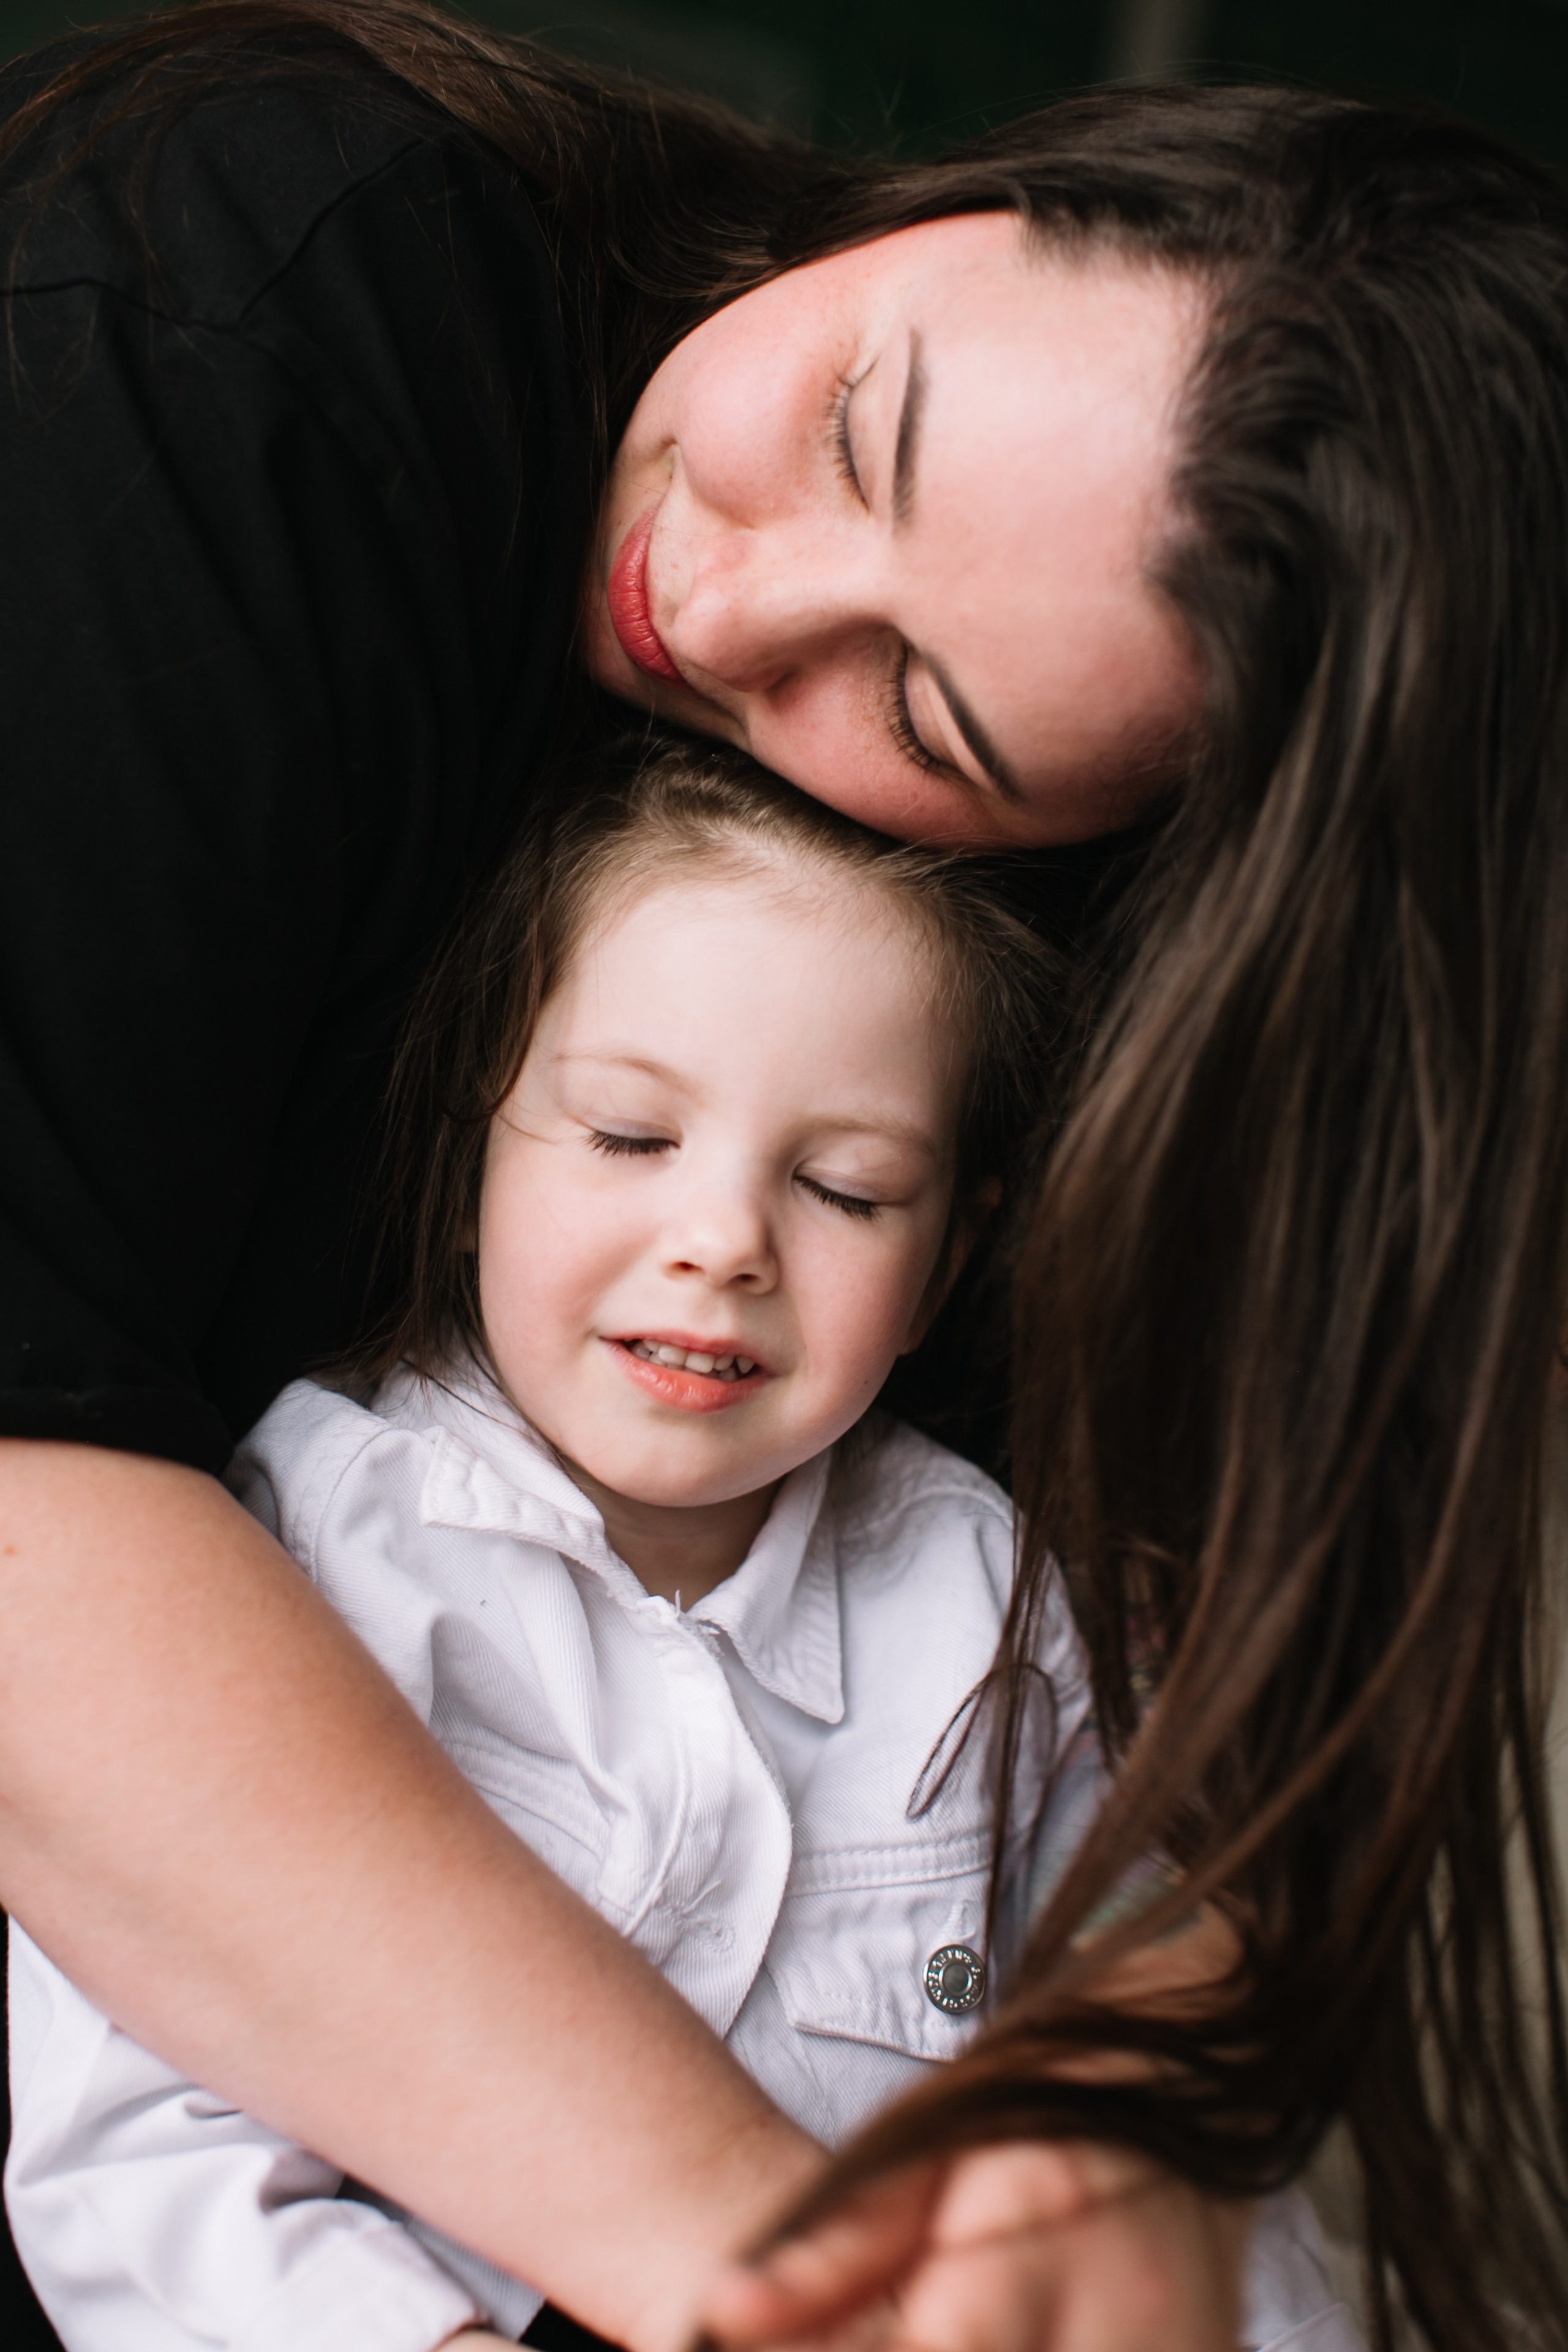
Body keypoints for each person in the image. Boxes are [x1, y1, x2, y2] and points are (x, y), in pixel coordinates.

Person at [0, 1, 1561, 2346]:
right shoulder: (268, 299)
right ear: (966, 198)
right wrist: (807, 2285)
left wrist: (1095, 2133)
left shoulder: (1028, 1085)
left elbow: (1184, 1748)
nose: (722, 607)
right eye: (856, 422)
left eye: (923, 722)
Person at [4, 746, 1357, 2351]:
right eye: (633, 1140)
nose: (723, 1243)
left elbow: (1156, 2049)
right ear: (471, 1152)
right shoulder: (291, 1557)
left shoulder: (991, 1599)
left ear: (944, 1266)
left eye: (844, 1190)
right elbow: (136, 2146)